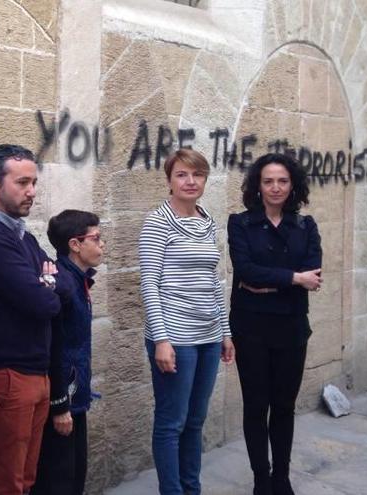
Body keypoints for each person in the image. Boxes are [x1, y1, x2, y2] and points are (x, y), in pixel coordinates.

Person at [0, 144, 73, 494]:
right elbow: (42, 304)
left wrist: (49, 283)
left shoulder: (21, 235)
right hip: (6, 377)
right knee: (5, 483)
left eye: (34, 183)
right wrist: (47, 286)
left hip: (32, 374)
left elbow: (67, 283)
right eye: (22, 183)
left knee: (25, 480)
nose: (32, 192)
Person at [138, 149, 235, 495]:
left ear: (205, 179)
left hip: (208, 337)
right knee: (171, 423)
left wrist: (225, 332)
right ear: (169, 181)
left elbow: (215, 281)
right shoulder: (157, 222)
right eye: (181, 174)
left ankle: (191, 489)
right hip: (175, 338)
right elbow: (149, 284)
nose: (190, 181)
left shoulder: (207, 220)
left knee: (195, 423)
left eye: (197, 174)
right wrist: (161, 340)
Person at [227, 153, 322, 495]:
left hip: (292, 329)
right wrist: (294, 278)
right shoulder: (239, 223)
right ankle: (261, 479)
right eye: (268, 181)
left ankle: (281, 477)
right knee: (256, 406)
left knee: (284, 406)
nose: (275, 187)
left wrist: (277, 281)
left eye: (282, 181)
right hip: (250, 329)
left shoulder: (305, 226)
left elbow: (314, 275)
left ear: (292, 184)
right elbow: (247, 270)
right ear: (258, 185)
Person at [32, 210, 105, 495]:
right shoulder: (63, 285)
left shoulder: (76, 280)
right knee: (59, 479)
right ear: (75, 244)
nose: (102, 245)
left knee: (75, 475)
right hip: (64, 400)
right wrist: (60, 405)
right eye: (96, 238)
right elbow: (57, 349)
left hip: (76, 397)